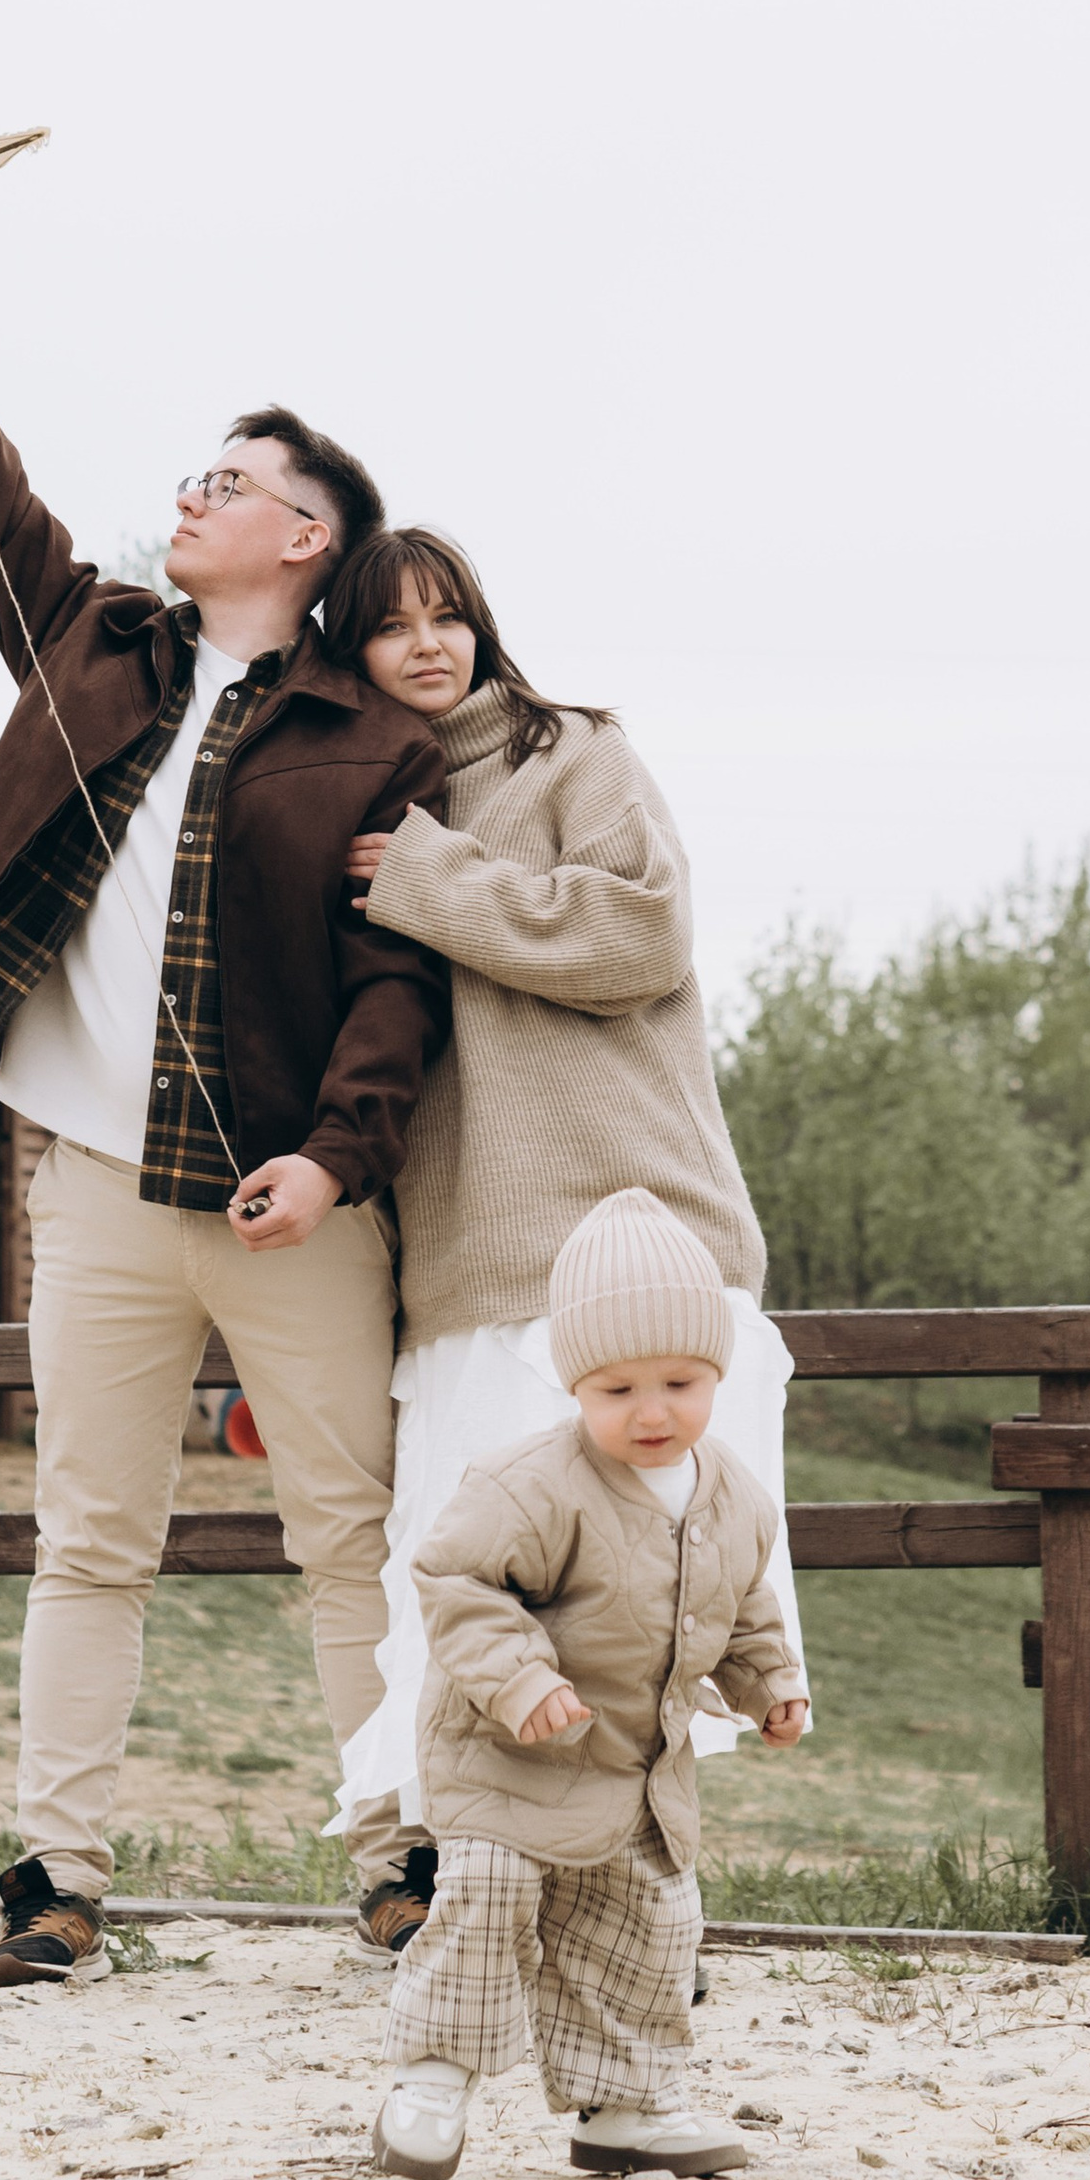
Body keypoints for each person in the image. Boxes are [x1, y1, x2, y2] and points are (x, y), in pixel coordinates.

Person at [0, 167, 450, 1987]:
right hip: (95, 1191)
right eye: (194, 472)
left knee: (348, 1536)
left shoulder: (375, 738)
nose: (189, 494)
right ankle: (55, 1880)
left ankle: (403, 1857)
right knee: (87, 1538)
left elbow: (397, 978)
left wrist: (341, 1161)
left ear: (305, 541)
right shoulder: (90, 639)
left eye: (232, 480)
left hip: (289, 1206)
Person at [313, 528, 804, 1942]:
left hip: (637, 1218)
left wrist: (425, 877)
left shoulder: (572, 753)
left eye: (448, 614)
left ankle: (642, 1911)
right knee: (471, 1586)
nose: (427, 645)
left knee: (650, 1599)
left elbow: (641, 937)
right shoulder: (352, 793)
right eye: (389, 627)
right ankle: (455, 1885)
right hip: (467, 1251)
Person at [369, 1190, 808, 2180]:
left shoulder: (732, 1494)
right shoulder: (531, 1482)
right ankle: (431, 2077)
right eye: (616, 1389)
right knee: (485, 1901)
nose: (651, 1410)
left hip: (632, 1768)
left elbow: (739, 1606)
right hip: (505, 1751)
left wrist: (769, 1681)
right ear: (574, 1382)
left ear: (716, 1370)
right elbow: (455, 1577)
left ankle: (623, 2105)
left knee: (644, 1927)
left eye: (679, 1381)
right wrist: (519, 1676)